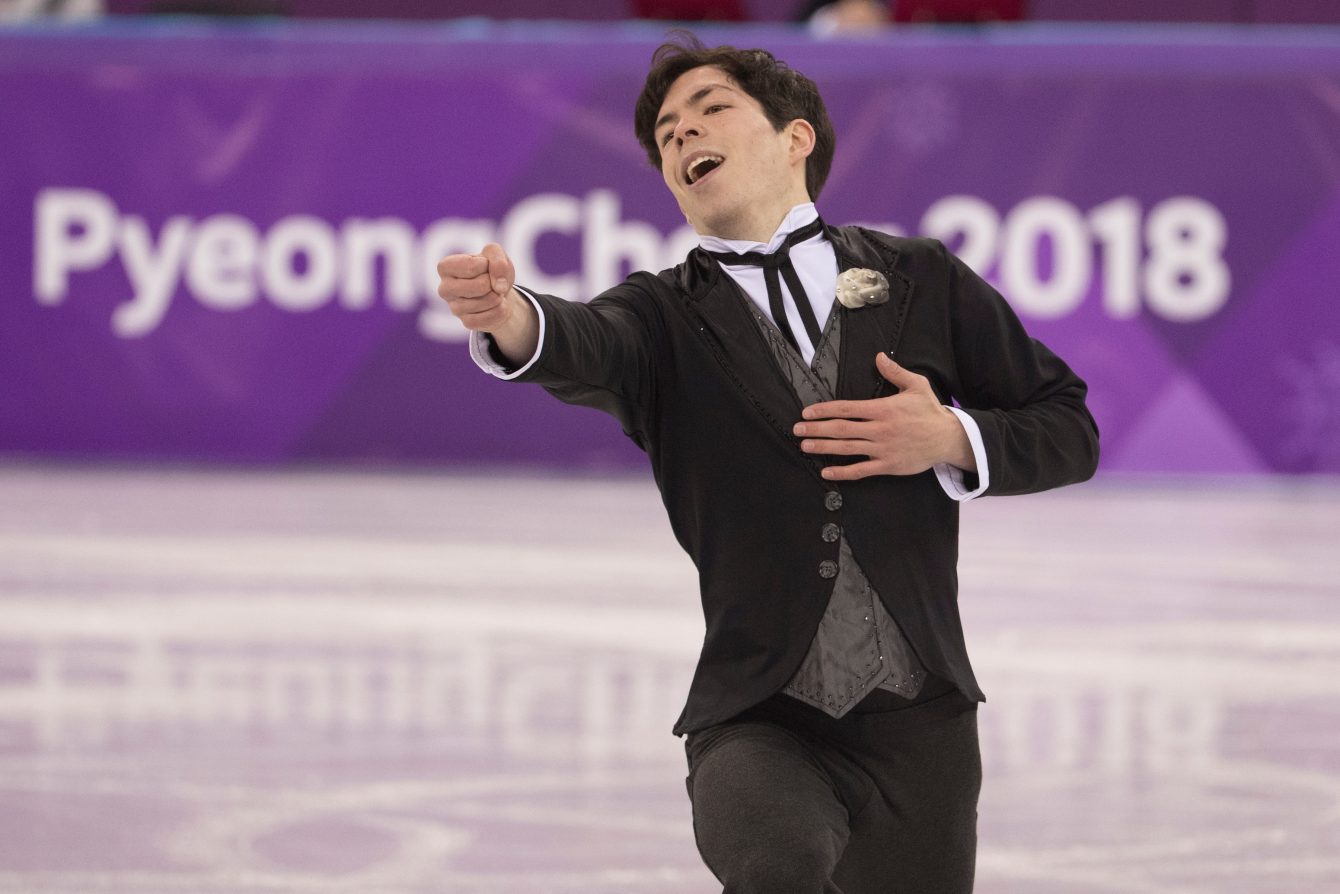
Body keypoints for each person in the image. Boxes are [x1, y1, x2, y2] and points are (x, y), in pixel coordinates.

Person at [437, 35, 1098, 894]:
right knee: (776, 864)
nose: (681, 136)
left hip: (923, 722)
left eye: (709, 110)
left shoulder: (920, 278)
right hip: (759, 716)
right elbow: (579, 341)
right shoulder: (660, 317)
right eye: (666, 134)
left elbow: (1068, 425)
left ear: (796, 138)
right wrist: (507, 316)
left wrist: (951, 439)